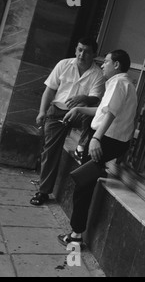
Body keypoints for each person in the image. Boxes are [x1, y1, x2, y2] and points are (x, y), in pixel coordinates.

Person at [57, 49, 137, 246]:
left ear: (116, 65)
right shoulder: (121, 83)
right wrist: (78, 108)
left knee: (83, 186)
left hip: (106, 139)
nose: (102, 65)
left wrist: (96, 140)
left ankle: (76, 235)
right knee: (85, 181)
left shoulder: (119, 83)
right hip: (108, 139)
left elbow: (110, 114)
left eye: (106, 62)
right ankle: (77, 231)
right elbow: (102, 111)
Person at [30, 38, 105, 206]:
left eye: (86, 51)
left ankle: (82, 146)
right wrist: (42, 111)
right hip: (57, 111)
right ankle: (43, 192)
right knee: (50, 151)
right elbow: (49, 90)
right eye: (79, 50)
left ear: (94, 54)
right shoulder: (63, 65)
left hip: (80, 113)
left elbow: (96, 98)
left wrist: (84, 98)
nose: (82, 54)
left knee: (95, 114)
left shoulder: (97, 74)